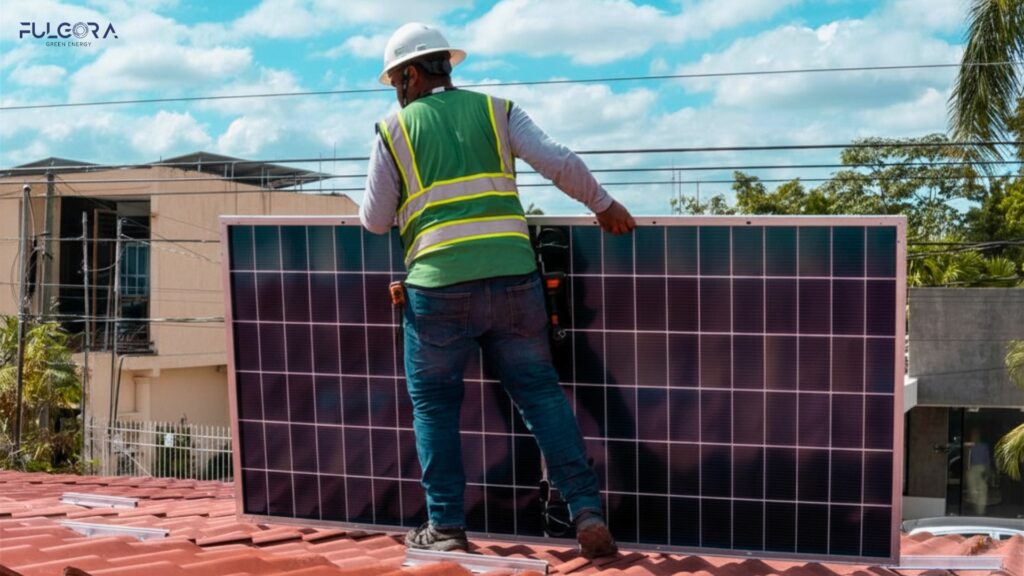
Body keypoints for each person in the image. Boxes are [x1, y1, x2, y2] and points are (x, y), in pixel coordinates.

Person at [359, 22, 635, 558]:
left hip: (436, 291)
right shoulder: (497, 110)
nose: (397, 89)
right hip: (513, 280)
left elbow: (373, 221)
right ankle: (585, 510)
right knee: (539, 393)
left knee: (435, 407)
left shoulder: (393, 130)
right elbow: (557, 160)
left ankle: (445, 526)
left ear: (413, 73)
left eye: (396, 79)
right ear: (448, 66)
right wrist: (603, 204)